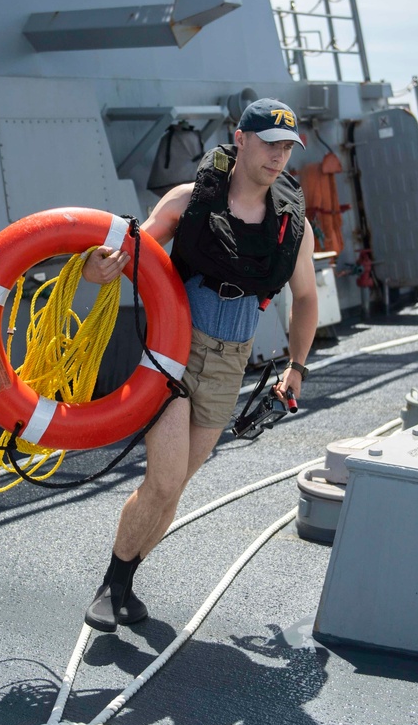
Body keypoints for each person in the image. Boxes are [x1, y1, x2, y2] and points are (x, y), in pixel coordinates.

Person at [80, 98, 318, 632]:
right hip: (173, 352)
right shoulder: (190, 200)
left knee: (176, 485)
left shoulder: (291, 224)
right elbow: (126, 257)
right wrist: (96, 270)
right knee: (163, 481)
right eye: (269, 143)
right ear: (241, 139)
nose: (278, 156)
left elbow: (305, 298)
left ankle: (125, 581)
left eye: (287, 147)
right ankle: (108, 587)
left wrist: (296, 366)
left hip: (230, 364)